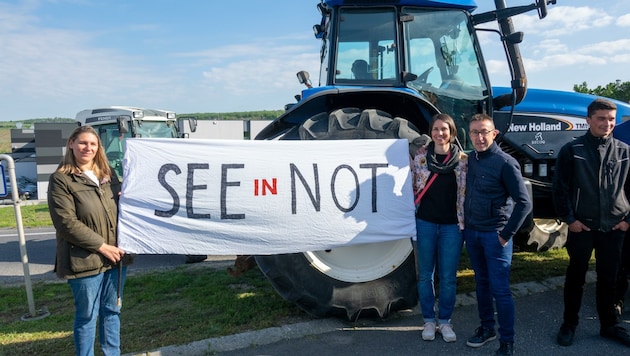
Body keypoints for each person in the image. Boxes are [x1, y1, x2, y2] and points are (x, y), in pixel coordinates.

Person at [48, 125, 132, 356]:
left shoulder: (108, 176)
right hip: (84, 259)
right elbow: (66, 223)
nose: (88, 148)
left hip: (116, 258)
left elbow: (120, 209)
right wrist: (102, 247)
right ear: (71, 144)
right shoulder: (61, 179)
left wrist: (127, 198)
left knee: (112, 312)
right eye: (83, 143)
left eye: (93, 144)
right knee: (87, 316)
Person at [553, 98, 630, 348]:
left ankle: (609, 325)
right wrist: (570, 220)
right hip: (582, 227)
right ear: (588, 120)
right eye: (601, 118)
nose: (607, 123)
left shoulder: (624, 151)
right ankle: (569, 324)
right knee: (576, 277)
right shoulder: (572, 150)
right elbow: (560, 190)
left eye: (611, 119)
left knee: (609, 278)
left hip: (614, 228)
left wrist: (628, 220)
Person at [463, 113, 531, 356]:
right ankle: (487, 328)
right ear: (469, 135)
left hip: (495, 235)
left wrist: (506, 235)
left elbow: (524, 203)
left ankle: (507, 341)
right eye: (475, 132)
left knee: (500, 289)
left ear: (494, 134)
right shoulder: (470, 160)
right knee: (481, 284)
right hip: (473, 233)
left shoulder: (505, 162)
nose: (480, 137)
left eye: (484, 132)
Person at [412, 113, 467, 343]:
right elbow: (410, 186)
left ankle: (444, 321)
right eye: (436, 129)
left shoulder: (464, 160)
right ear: (430, 132)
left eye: (444, 129)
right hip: (425, 223)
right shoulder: (421, 158)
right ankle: (428, 320)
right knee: (425, 275)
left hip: (452, 227)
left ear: (451, 132)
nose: (440, 133)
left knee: (448, 277)